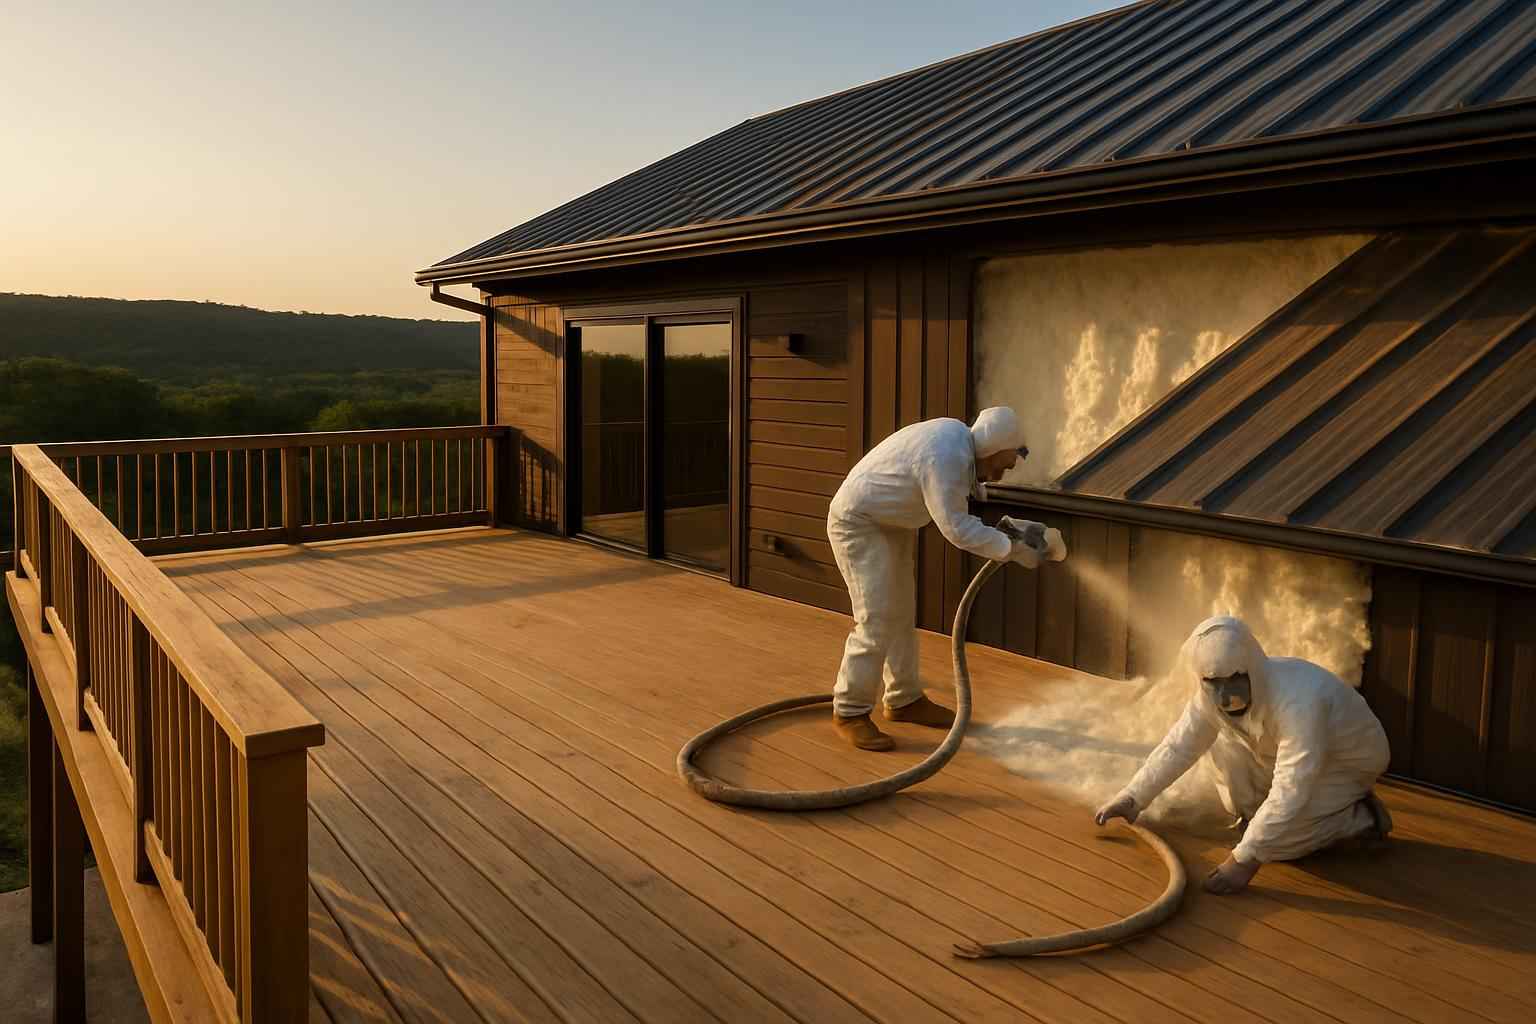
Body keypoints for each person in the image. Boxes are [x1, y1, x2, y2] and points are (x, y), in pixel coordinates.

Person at [1094, 615, 1393, 894]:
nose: (1225, 696)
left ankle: (1361, 817)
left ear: (1252, 667)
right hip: (1288, 754)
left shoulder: (1301, 702)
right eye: (1214, 684)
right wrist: (1133, 797)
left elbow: (1291, 787)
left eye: (1234, 679)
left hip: (1343, 763)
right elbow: (1179, 746)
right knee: (1218, 746)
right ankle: (1270, 823)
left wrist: (1244, 861)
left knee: (1280, 845)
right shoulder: (1209, 696)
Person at [826, 406, 1066, 751]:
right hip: (858, 523)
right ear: (995, 448)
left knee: (901, 615)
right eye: (1004, 465)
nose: (999, 476)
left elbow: (964, 499)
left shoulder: (961, 446)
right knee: (877, 619)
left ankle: (903, 699)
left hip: (890, 523)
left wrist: (1011, 536)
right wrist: (1012, 549)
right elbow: (955, 527)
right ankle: (849, 711)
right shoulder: (945, 454)